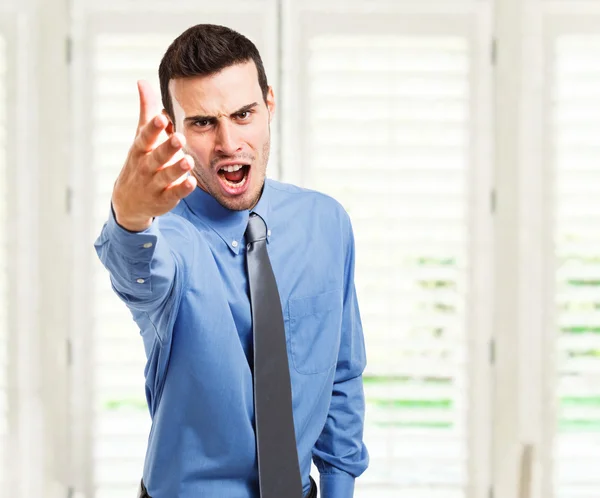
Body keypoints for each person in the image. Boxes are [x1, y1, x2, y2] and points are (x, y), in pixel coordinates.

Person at [94, 24, 369, 498]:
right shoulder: (169, 239)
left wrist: (339, 487)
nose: (228, 142)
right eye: (202, 122)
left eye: (244, 114)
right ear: (173, 128)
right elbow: (136, 274)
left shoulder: (325, 223)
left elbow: (340, 373)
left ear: (270, 105)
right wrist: (130, 214)